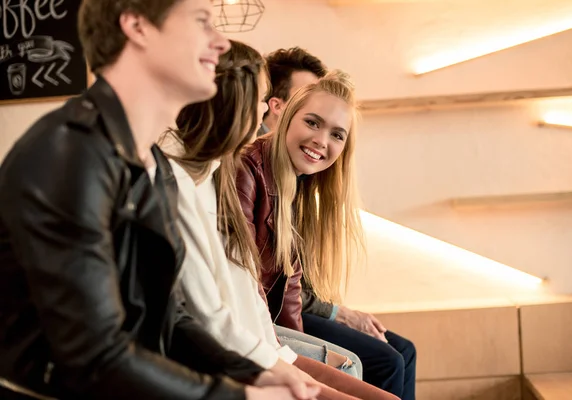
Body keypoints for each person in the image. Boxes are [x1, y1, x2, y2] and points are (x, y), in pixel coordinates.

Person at [0, 2, 317, 399]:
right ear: (137, 27)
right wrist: (239, 396)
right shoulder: (68, 157)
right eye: (202, 21)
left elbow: (171, 315)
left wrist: (251, 372)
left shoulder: (155, 165)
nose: (221, 43)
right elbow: (95, 359)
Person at [163, 39, 398, 400]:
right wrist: (283, 365)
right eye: (263, 101)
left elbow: (268, 291)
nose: (265, 113)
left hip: (256, 340)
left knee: (380, 364)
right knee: (367, 363)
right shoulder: (212, 177)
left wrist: (286, 355)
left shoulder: (258, 177)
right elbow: (217, 313)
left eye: (337, 134)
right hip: (233, 353)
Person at [241, 58, 417, 400]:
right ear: (285, 114)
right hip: (248, 328)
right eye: (312, 122)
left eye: (336, 134)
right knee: (366, 363)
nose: (322, 141)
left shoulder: (297, 182)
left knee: (397, 353)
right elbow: (246, 285)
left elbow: (291, 285)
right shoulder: (248, 169)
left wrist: (303, 347)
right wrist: (293, 358)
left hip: (269, 324)